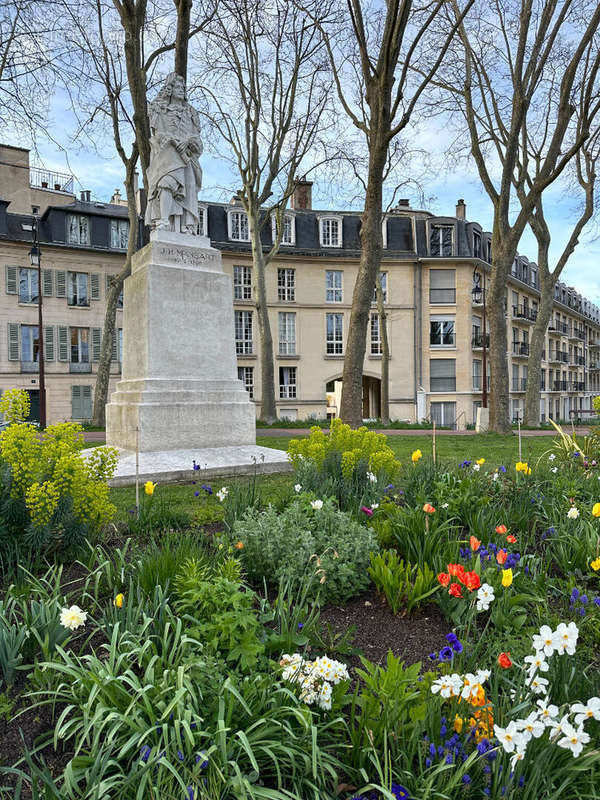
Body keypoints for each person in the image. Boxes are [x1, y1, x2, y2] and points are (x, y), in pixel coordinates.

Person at [144, 73, 203, 234]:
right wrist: (170, 140)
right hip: (167, 155)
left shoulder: (190, 112)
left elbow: (197, 139)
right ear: (169, 89)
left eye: (183, 88)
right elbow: (157, 134)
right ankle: (164, 221)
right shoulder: (160, 108)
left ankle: (187, 226)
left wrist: (188, 142)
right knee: (165, 183)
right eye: (177, 87)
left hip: (186, 158)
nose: (181, 90)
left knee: (189, 190)